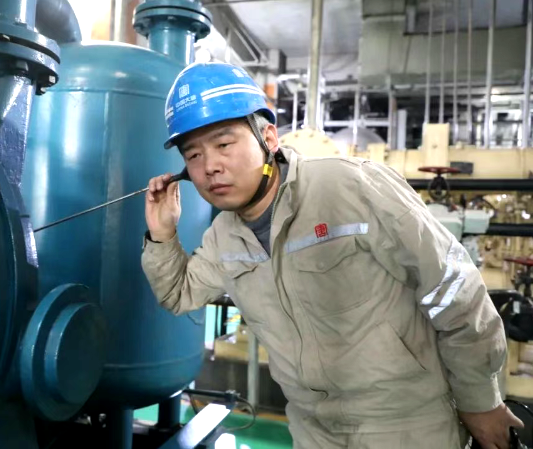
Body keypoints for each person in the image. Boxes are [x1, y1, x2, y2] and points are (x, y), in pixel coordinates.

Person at [141, 62, 523, 449]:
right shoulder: (224, 235)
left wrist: (479, 401)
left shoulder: (351, 186)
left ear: (268, 138)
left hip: (405, 423)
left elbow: (454, 289)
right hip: (313, 429)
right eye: (193, 156)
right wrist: (162, 234)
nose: (210, 167)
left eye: (224, 145)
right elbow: (178, 294)